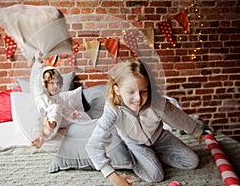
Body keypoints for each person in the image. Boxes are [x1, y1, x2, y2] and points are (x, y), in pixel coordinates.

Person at [85, 58, 205, 186]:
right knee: (155, 176)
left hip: (159, 137)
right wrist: (112, 176)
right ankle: (134, 158)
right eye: (131, 92)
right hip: (134, 142)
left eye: (143, 91)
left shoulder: (157, 103)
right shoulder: (113, 108)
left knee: (192, 161)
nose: (138, 99)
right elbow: (93, 144)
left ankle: (157, 156)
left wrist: (196, 130)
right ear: (117, 90)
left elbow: (178, 117)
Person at [31, 58, 86, 149]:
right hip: (43, 123)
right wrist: (40, 64)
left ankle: (50, 127)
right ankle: (40, 139)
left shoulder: (58, 98)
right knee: (39, 122)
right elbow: (36, 82)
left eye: (57, 83)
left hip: (52, 128)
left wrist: (71, 114)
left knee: (78, 116)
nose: (55, 86)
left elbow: (64, 110)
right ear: (45, 84)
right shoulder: (40, 95)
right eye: (52, 83)